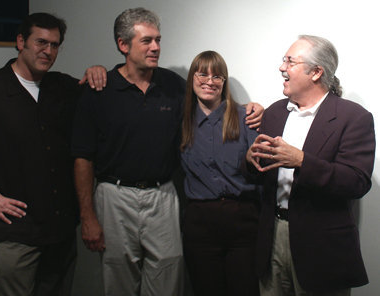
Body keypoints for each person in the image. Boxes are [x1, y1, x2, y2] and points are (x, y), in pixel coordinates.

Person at [72, 7, 263, 296]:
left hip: (162, 196)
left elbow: (212, 103)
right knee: (119, 282)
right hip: (114, 196)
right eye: (147, 41)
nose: (156, 47)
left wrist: (251, 107)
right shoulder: (100, 89)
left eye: (158, 40)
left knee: (168, 280)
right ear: (123, 45)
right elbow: (82, 157)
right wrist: (87, 216)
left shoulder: (174, 87)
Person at [0, 12, 105, 296]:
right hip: (16, 234)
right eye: (40, 42)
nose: (47, 51)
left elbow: (98, 92)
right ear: (21, 41)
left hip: (61, 232)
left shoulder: (63, 88)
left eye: (54, 44)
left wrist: (98, 70)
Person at [244, 35, 375, 296]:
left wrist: (302, 161)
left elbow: (356, 181)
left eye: (290, 61)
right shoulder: (274, 112)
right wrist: (250, 161)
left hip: (322, 245)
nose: (282, 67)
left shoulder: (353, 117)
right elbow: (261, 176)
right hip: (272, 237)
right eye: (284, 60)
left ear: (316, 72)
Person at [180, 50, 260, 296]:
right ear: (192, 78)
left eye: (217, 76)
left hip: (242, 221)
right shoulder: (180, 120)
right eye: (202, 74)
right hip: (199, 223)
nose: (209, 81)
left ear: (224, 82)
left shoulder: (246, 117)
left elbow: (261, 170)